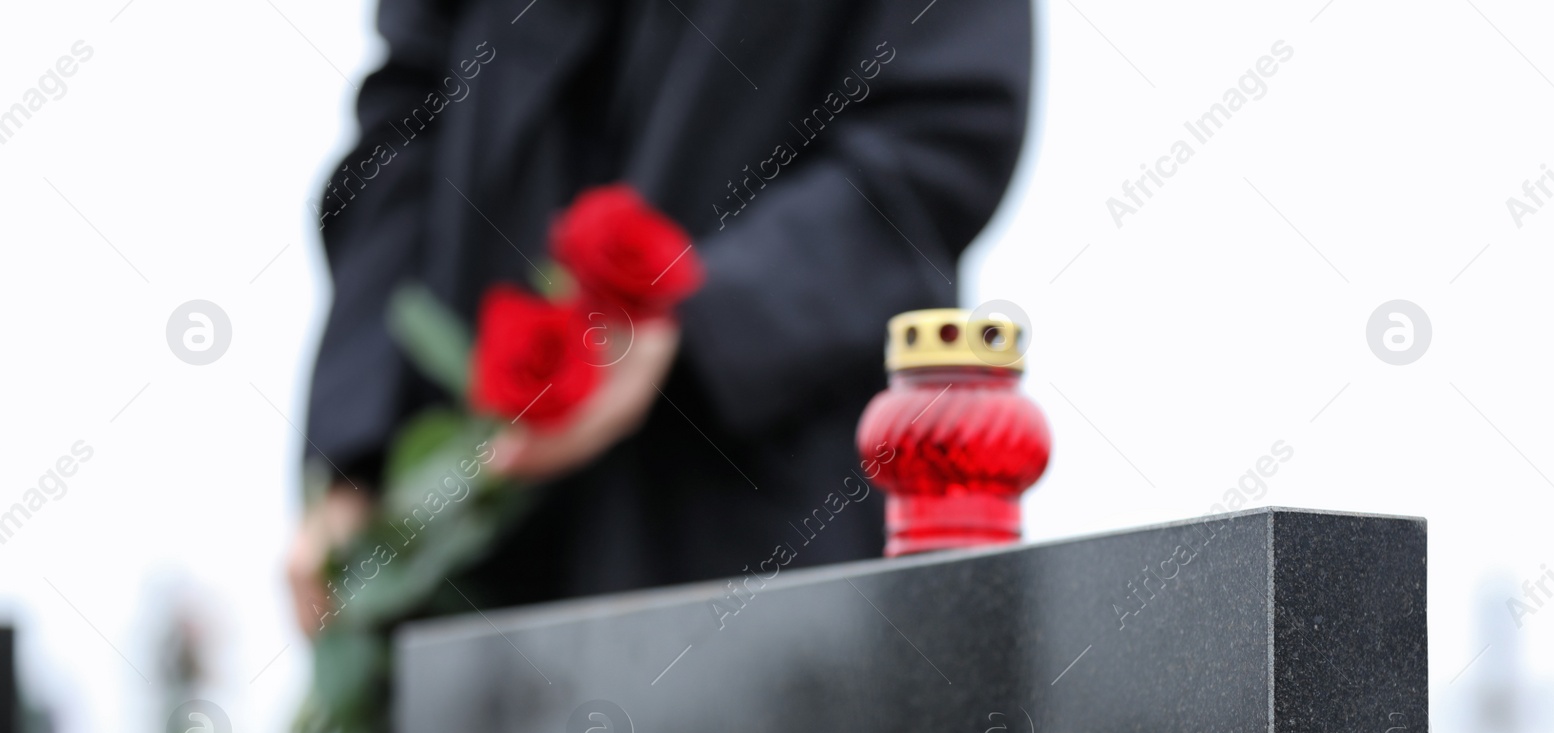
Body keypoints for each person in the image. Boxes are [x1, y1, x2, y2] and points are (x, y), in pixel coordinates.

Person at [289, 0, 1032, 631]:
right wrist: (357, 451)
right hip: (460, 537)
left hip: (756, 526)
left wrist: (702, 313)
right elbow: (399, 129)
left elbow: (941, 127)